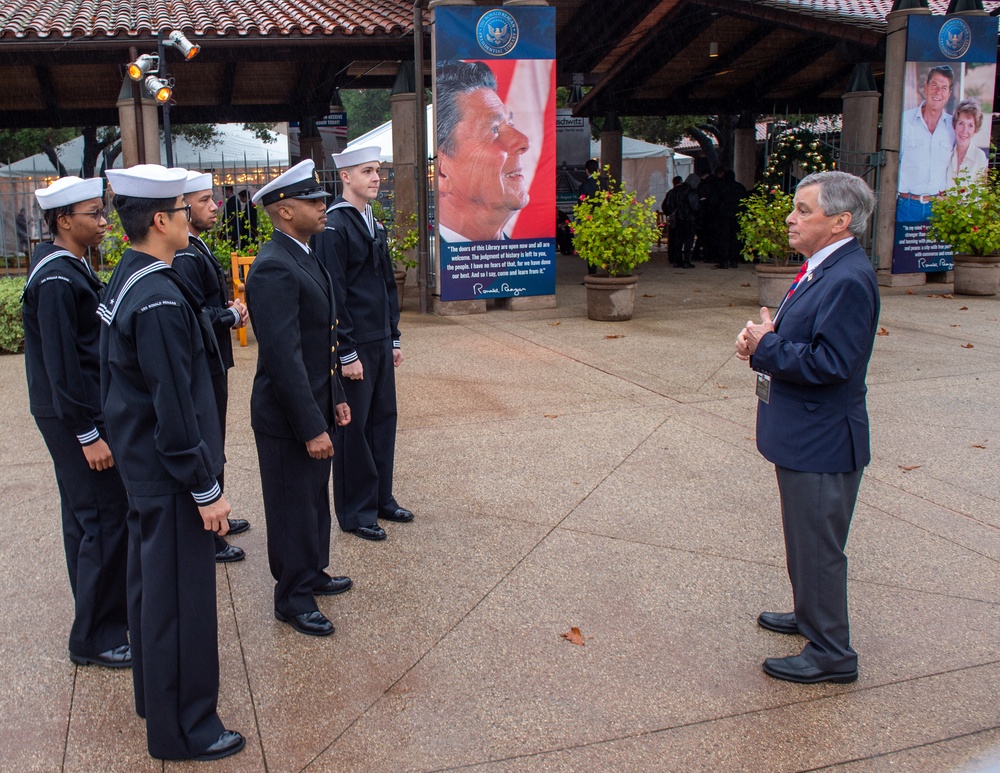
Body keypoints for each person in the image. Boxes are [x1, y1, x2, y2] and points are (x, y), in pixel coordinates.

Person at [99, 164, 244, 761]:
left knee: (149, 591)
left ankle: (154, 698)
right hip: (169, 472)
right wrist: (205, 487)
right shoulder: (158, 296)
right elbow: (175, 403)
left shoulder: (130, 277)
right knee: (180, 602)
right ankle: (186, 727)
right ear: (160, 220)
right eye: (185, 210)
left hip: (144, 467)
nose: (192, 217)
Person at [735, 171, 878, 685]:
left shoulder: (847, 278)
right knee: (805, 539)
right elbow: (800, 339)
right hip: (803, 433)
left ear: (840, 221)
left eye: (803, 210)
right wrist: (764, 338)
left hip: (822, 441)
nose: (791, 218)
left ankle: (832, 652)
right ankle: (810, 612)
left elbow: (831, 363)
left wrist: (765, 346)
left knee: (819, 545)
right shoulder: (823, 267)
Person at [22, 176, 130, 670]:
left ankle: (101, 615)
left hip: (74, 411)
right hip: (73, 416)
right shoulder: (58, 278)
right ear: (64, 220)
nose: (104, 222)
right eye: (94, 214)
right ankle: (95, 636)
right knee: (103, 520)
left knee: (85, 519)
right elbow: (64, 365)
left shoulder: (68, 268)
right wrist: (88, 433)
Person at [246, 159, 353, 637]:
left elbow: (321, 342)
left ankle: (311, 572)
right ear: (285, 211)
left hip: (314, 402)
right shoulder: (273, 267)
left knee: (312, 500)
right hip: (287, 415)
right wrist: (310, 425)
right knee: (292, 506)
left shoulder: (304, 254)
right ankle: (291, 597)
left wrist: (335, 399)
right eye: (312, 201)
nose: (322, 205)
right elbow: (284, 358)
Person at [314, 146, 414, 543]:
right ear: (345, 178)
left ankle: (380, 497)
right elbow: (335, 293)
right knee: (353, 431)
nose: (376, 178)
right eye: (367, 171)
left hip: (378, 339)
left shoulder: (373, 222)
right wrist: (346, 351)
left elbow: (386, 285)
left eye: (378, 171)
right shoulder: (336, 225)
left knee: (382, 420)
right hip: (354, 343)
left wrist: (393, 335)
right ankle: (356, 512)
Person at [172, 171, 252, 563]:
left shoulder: (195, 246)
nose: (215, 205)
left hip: (212, 360)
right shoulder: (185, 254)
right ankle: (210, 534)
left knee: (215, 441)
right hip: (203, 361)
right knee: (207, 442)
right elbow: (196, 315)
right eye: (205, 200)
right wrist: (230, 316)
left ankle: (217, 520)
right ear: (183, 208)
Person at [436, 60, 530, 242]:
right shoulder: (435, 263)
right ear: (442, 172)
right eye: (494, 129)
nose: (523, 141)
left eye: (510, 124)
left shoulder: (524, 262)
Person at [897, 65, 955, 223]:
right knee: (903, 248)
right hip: (906, 206)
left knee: (938, 249)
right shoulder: (904, 121)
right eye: (934, 85)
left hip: (938, 208)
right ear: (926, 88)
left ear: (949, 94)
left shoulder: (953, 127)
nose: (938, 92)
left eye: (944, 88)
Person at [946, 97, 988, 187]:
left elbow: (981, 194)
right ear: (955, 125)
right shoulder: (947, 152)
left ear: (975, 129)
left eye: (970, 125)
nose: (965, 130)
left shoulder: (979, 157)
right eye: (961, 123)